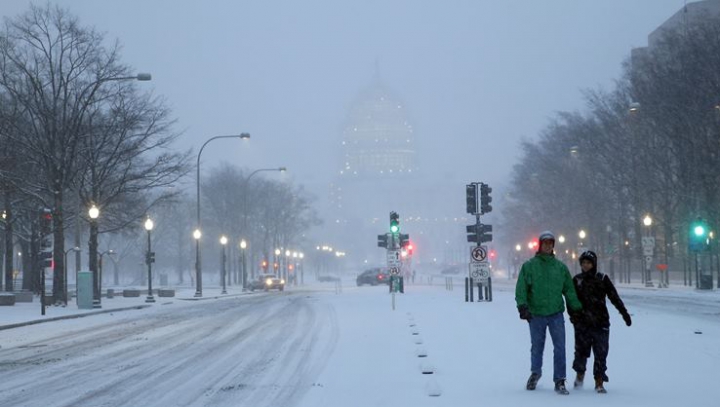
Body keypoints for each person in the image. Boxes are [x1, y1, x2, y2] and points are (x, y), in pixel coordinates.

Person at [515, 231, 583, 395]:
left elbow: (569, 290)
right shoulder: (529, 266)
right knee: (537, 347)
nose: (548, 246)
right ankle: (535, 373)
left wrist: (576, 308)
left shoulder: (560, 268)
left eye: (550, 243)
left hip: (555, 314)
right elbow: (521, 288)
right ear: (540, 245)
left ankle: (559, 379)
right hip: (536, 313)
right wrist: (522, 306)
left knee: (560, 347)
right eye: (545, 243)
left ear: (553, 245)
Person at [570, 250, 632, 394]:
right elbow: (571, 300)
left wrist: (624, 314)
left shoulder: (602, 279)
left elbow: (614, 297)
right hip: (583, 323)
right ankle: (579, 376)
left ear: (594, 264)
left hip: (600, 323)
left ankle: (599, 380)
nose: (586, 265)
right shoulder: (577, 280)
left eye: (588, 263)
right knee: (580, 352)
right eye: (583, 263)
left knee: (601, 353)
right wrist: (574, 318)